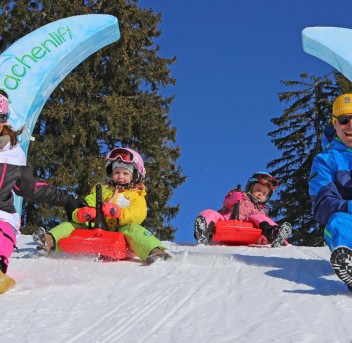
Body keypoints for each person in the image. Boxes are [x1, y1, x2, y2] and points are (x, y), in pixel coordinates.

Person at [0, 90, 85, 293]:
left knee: (2, 231)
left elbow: (30, 189)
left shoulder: (12, 156)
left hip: (1, 214)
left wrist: (66, 199)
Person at [33, 147, 172, 265]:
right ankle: (49, 241)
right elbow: (86, 204)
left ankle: (155, 250)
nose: (120, 176)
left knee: (134, 229)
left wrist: (119, 214)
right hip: (97, 229)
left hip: (121, 232)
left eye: (125, 173)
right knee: (71, 225)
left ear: (135, 176)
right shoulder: (102, 189)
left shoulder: (136, 194)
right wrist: (83, 213)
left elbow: (139, 213)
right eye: (116, 172)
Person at [309, 93, 352, 289]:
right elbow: (323, 205)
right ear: (335, 124)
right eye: (344, 120)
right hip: (349, 220)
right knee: (337, 222)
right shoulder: (325, 160)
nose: (350, 124)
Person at [194, 171, 292, 247]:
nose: (260, 194)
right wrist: (234, 196)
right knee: (209, 212)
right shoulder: (241, 196)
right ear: (250, 188)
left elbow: (263, 227)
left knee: (261, 218)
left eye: (264, 193)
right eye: (258, 190)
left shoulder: (262, 212)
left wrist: (279, 242)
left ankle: (275, 235)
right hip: (227, 222)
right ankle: (204, 231)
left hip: (249, 231)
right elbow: (227, 202)